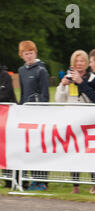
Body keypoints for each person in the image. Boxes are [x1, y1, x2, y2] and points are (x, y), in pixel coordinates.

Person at [55, 49, 95, 194]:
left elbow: (93, 99)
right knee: (73, 151)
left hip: (88, 120)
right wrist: (62, 85)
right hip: (72, 120)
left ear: (87, 63)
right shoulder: (68, 76)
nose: (79, 64)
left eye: (82, 61)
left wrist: (81, 82)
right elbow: (59, 99)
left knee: (91, 152)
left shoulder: (92, 78)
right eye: (77, 61)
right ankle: (75, 185)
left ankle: (94, 183)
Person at [18, 40, 50, 191]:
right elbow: (23, 94)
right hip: (26, 115)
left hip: (39, 115)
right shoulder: (21, 71)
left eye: (31, 53)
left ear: (35, 53)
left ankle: (42, 181)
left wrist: (41, 112)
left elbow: (45, 94)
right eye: (26, 53)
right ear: (22, 55)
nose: (29, 56)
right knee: (29, 148)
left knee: (40, 148)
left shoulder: (41, 70)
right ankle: (32, 179)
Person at [0, 65, 18, 189]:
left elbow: (6, 94)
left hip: (8, 116)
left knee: (9, 148)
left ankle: (15, 180)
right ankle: (7, 180)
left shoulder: (5, 75)